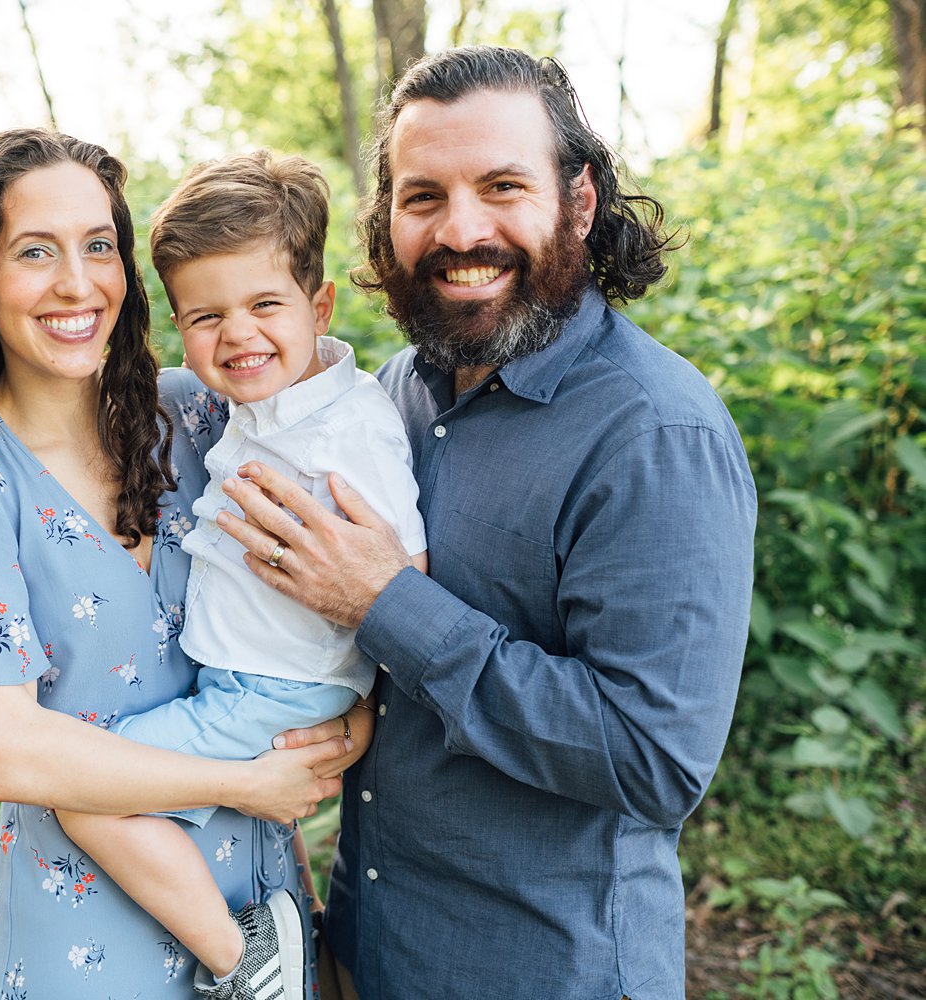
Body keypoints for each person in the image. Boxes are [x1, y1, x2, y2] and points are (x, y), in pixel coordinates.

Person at [213, 47, 759, 999]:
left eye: (502, 185)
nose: (461, 229)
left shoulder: (652, 433)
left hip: (546, 970)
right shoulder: (390, 400)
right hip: (373, 947)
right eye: (423, 196)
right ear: (388, 221)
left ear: (579, 202)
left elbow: (655, 757)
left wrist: (390, 602)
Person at [0, 127, 366, 1000]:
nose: (77, 283)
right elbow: (7, 754)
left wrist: (348, 728)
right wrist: (247, 780)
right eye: (35, 251)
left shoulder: (196, 418)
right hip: (87, 945)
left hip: (265, 911)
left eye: (99, 246)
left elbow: (328, 589)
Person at [54, 150, 428, 1000]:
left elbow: (405, 571)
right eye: (206, 316)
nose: (238, 335)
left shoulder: (349, 430)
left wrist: (365, 695)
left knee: (86, 793)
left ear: (319, 304)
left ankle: (247, 962)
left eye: (265, 304)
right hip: (256, 683)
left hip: (276, 694)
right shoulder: (259, 408)